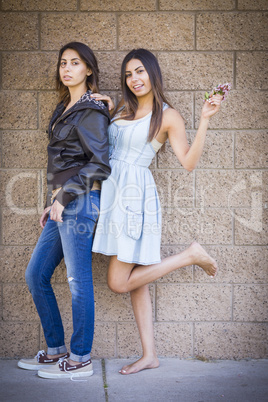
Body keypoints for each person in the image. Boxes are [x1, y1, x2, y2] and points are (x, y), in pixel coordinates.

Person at [92, 48, 222, 375]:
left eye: (139, 71)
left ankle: (189, 255)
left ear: (152, 72)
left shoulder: (168, 116)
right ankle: (150, 355)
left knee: (119, 282)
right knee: (137, 281)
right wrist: (105, 110)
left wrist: (204, 120)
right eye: (128, 74)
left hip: (134, 199)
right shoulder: (123, 108)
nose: (134, 79)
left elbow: (188, 162)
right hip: (112, 195)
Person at [17, 42, 111, 379]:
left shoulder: (92, 110)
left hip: (79, 203)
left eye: (75, 63)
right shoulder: (64, 108)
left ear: (88, 69)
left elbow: (99, 165)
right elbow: (66, 161)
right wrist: (53, 200)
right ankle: (56, 348)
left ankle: (81, 357)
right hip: (62, 204)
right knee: (36, 274)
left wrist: (64, 197)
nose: (67, 68)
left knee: (77, 281)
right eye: (63, 63)